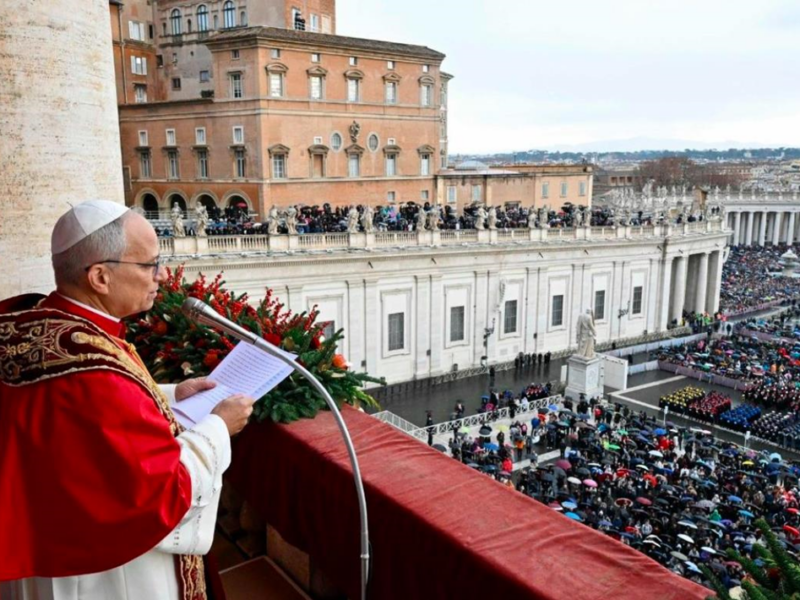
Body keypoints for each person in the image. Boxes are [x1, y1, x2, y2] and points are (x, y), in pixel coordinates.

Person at [0, 200, 255, 600]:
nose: (161, 276)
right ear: (100, 276)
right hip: (102, 571)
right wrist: (219, 427)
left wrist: (168, 394)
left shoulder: (33, 320)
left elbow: (82, 419)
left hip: (46, 544)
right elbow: (160, 491)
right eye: (149, 265)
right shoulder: (94, 372)